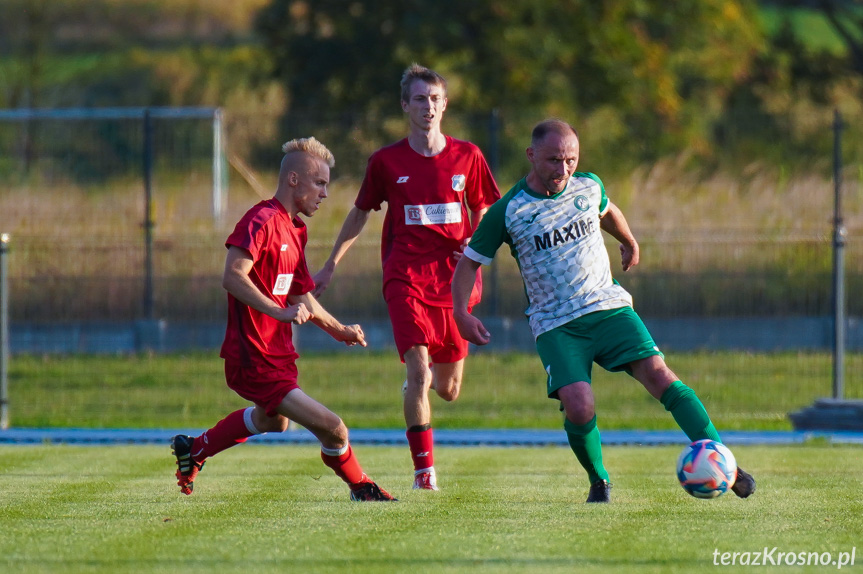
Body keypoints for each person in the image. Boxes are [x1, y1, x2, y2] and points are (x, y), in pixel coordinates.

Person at [451, 119, 756, 503]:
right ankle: (599, 480)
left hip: (608, 306)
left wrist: (627, 240)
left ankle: (723, 460)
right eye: (553, 160)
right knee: (579, 406)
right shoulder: (507, 210)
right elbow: (469, 263)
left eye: (570, 160)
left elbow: (607, 210)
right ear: (531, 156)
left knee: (661, 375)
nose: (563, 170)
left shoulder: (588, 185)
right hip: (556, 323)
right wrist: (461, 312)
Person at [171, 137, 395, 502]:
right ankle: (362, 488)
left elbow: (299, 294)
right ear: (294, 180)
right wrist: (277, 311)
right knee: (334, 429)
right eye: (319, 182)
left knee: (274, 421)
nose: (325, 193)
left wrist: (339, 330)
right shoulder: (261, 220)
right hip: (253, 356)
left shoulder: (295, 229)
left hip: (276, 353)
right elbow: (233, 275)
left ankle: (194, 449)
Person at [312, 64, 501, 490]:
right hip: (406, 277)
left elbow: (485, 207)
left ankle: (422, 387)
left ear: (445, 105)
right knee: (420, 370)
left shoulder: (468, 156)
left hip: (454, 280)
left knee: (448, 389)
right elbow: (360, 212)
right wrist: (330, 265)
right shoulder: (386, 161)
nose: (428, 107)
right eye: (419, 99)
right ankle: (424, 473)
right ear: (405, 106)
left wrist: (475, 239)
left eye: (435, 99)